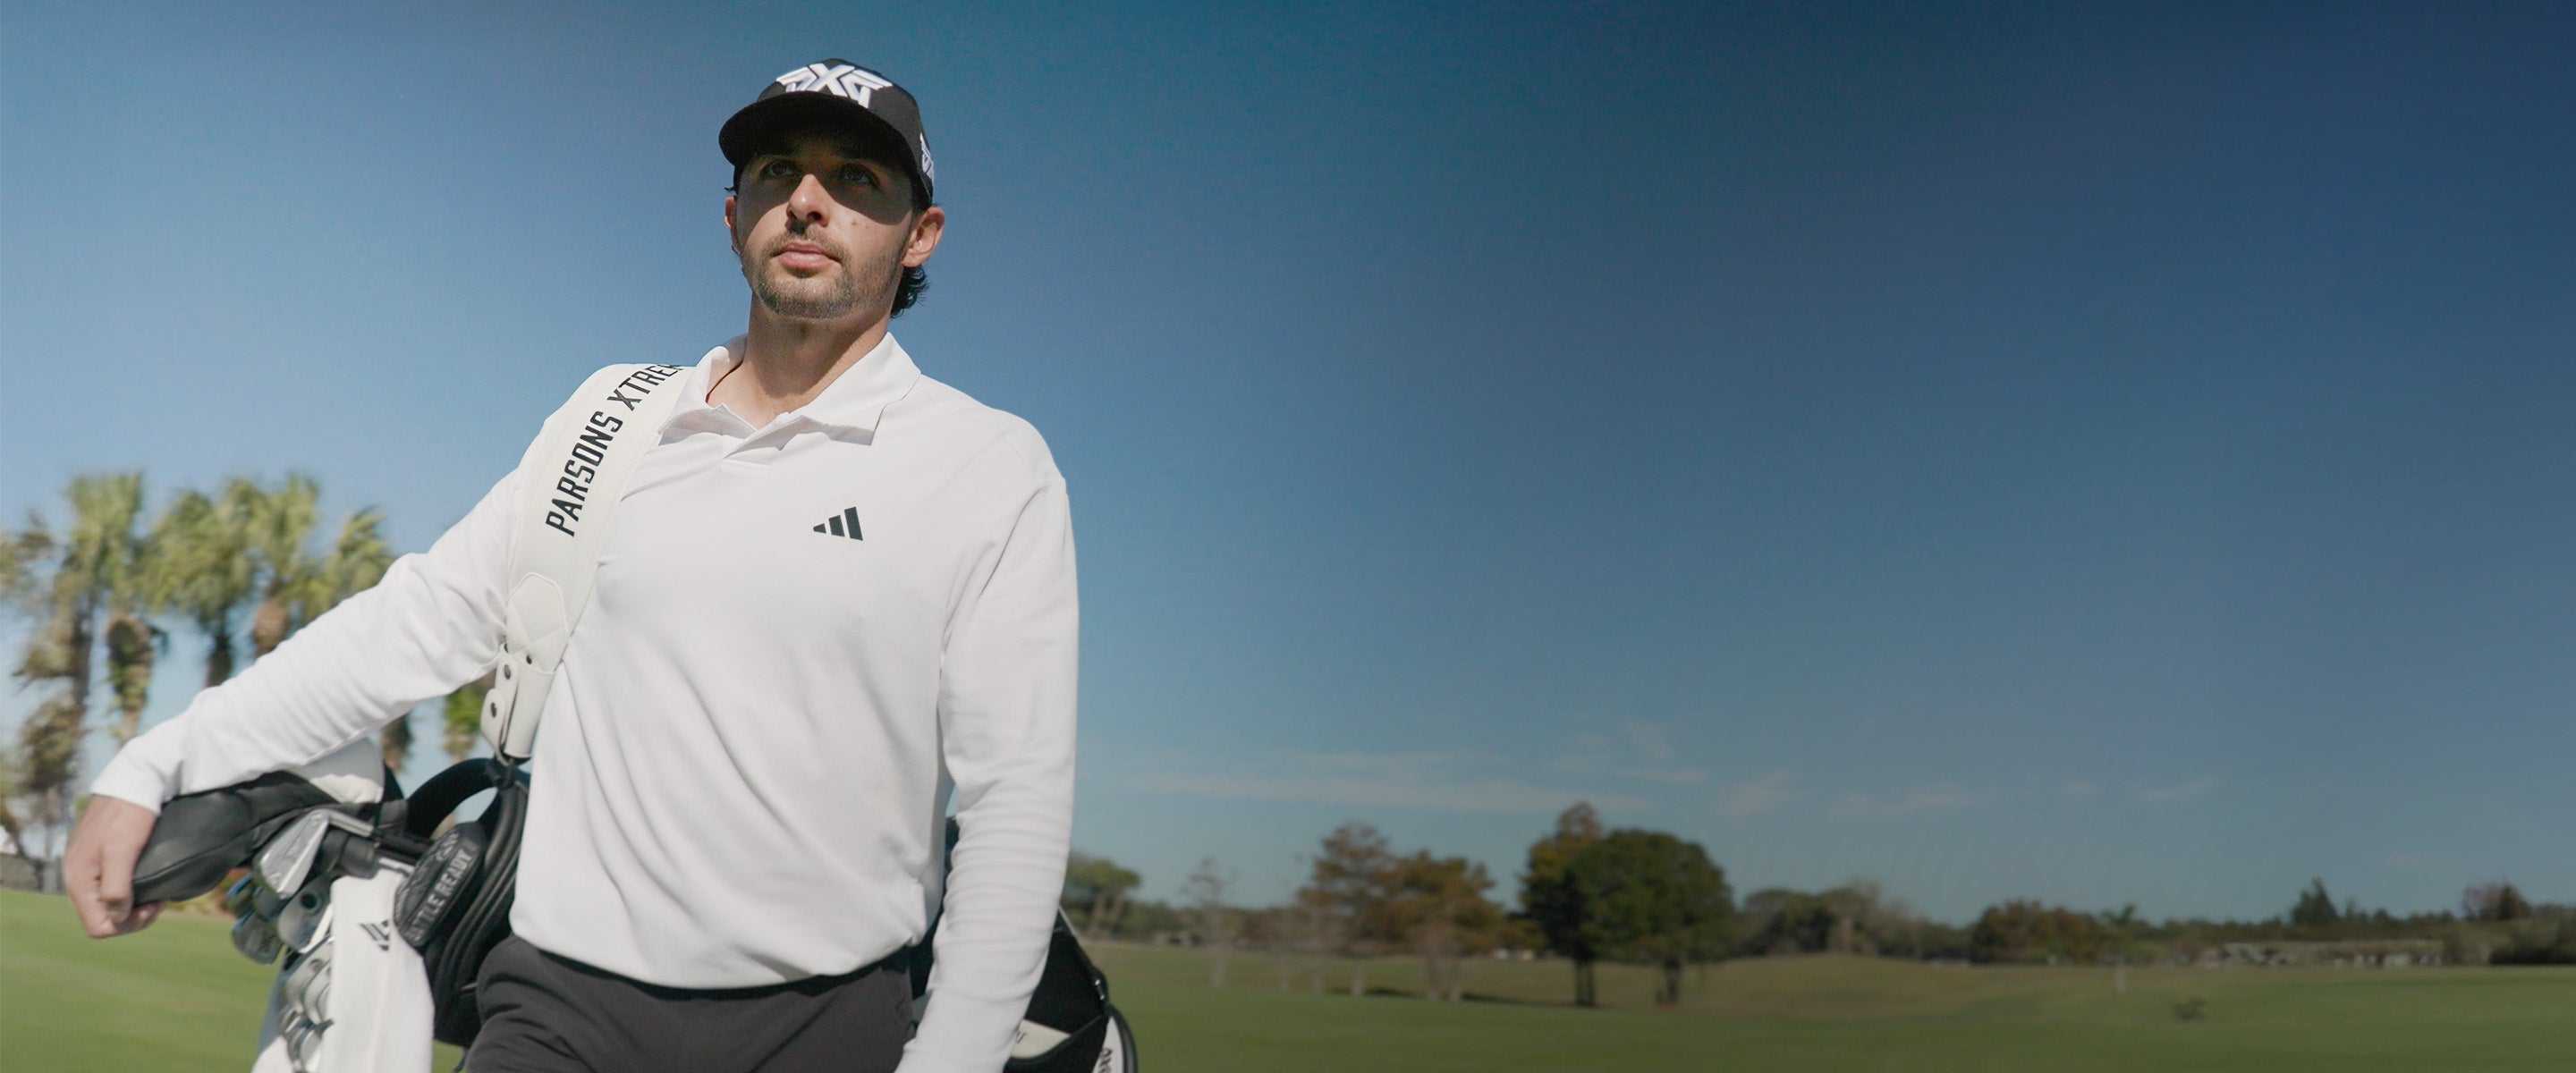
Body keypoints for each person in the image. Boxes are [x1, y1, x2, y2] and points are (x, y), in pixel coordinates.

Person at [60, 59, 1078, 1073]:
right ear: (734, 217)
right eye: (779, 173)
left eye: (857, 182)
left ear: (918, 236)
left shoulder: (988, 467)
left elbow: (1015, 801)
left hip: (827, 1025)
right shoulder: (614, 419)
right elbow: (412, 627)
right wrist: (155, 764)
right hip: (557, 1009)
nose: (808, 203)